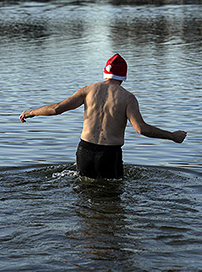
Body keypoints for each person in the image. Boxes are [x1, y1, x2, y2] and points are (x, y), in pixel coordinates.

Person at [19, 53, 187, 179]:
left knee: (85, 197)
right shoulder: (128, 98)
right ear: (124, 75)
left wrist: (31, 112)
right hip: (109, 154)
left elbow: (56, 109)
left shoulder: (88, 90)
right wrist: (172, 136)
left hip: (84, 150)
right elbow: (141, 129)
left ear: (105, 72)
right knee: (111, 199)